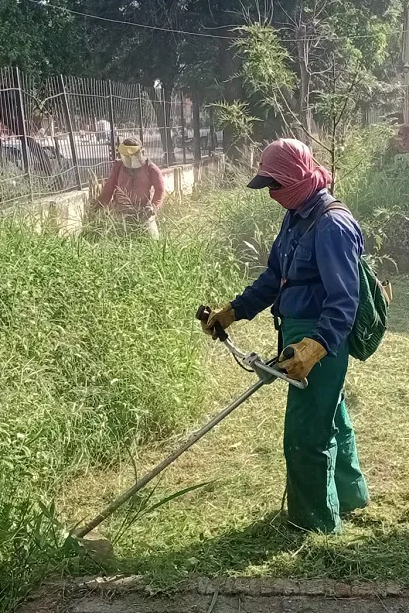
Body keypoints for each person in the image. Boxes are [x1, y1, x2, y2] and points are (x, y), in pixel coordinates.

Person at [204, 138, 369, 534]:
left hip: (320, 338)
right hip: (297, 333)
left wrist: (315, 347)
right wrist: (234, 311)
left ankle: (315, 524)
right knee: (330, 414)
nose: (272, 193)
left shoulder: (332, 225)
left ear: (297, 176)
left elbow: (344, 300)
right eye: (267, 185)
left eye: (275, 184)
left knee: (306, 433)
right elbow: (276, 277)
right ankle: (349, 496)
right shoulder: (296, 216)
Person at [96, 138, 166, 238]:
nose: (130, 160)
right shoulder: (118, 167)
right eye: (126, 157)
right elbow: (108, 189)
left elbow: (160, 189)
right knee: (117, 241)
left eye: (133, 156)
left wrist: (154, 207)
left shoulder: (151, 168)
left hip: (144, 212)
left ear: (142, 152)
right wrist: (98, 206)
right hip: (121, 211)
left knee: (153, 241)